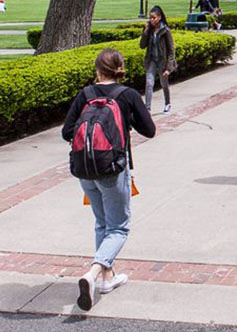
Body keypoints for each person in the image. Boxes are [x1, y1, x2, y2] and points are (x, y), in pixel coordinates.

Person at [62, 49, 156, 310]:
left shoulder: (86, 94)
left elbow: (67, 131)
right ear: (120, 68)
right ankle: (93, 272)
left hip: (84, 168)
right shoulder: (127, 95)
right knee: (119, 227)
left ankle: (106, 278)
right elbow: (149, 130)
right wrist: (127, 119)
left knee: (102, 222)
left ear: (97, 69)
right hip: (113, 168)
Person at [139, 6, 176, 113]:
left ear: (159, 17)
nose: (151, 20)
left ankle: (167, 103)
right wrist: (145, 31)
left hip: (162, 61)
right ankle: (147, 108)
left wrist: (169, 68)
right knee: (149, 83)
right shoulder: (149, 30)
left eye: (153, 18)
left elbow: (171, 51)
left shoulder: (166, 31)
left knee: (164, 83)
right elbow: (142, 45)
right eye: (150, 17)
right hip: (151, 60)